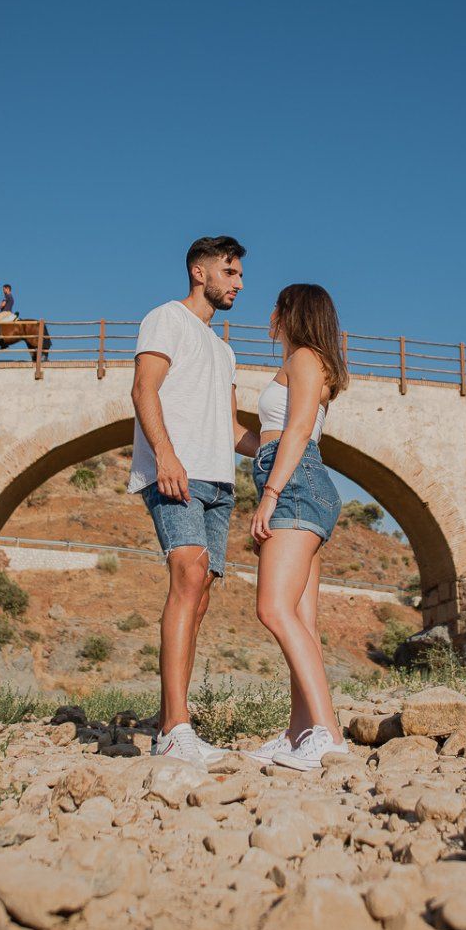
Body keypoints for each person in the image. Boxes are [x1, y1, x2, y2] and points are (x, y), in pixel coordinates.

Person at [131, 235, 247, 769]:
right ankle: (178, 728)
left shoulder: (224, 350)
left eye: (240, 274)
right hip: (175, 474)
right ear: (200, 273)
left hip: (219, 483)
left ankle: (168, 723)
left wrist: (292, 441)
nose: (238, 283)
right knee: (186, 576)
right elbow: (144, 389)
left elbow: (231, 427)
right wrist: (165, 457)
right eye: (230, 272)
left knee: (199, 596)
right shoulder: (165, 320)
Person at [241, 284, 350, 771]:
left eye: (277, 306)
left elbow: (299, 430)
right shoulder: (304, 361)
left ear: (293, 313)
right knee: (300, 620)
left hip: (295, 485)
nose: (270, 315)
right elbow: (265, 438)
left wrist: (269, 495)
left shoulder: (305, 358)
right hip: (297, 479)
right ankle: (300, 731)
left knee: (273, 608)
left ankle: (326, 733)